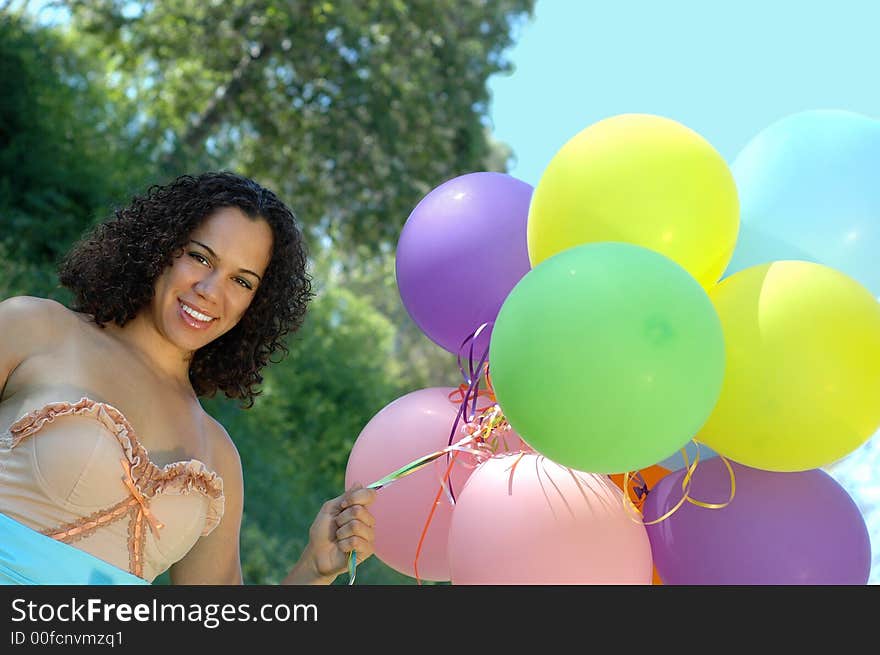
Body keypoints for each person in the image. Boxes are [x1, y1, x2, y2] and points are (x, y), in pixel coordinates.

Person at [0, 171, 377, 585]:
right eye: (200, 257)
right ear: (161, 245)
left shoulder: (218, 457)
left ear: (257, 303)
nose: (211, 290)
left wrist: (314, 569)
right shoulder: (34, 328)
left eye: (241, 280)